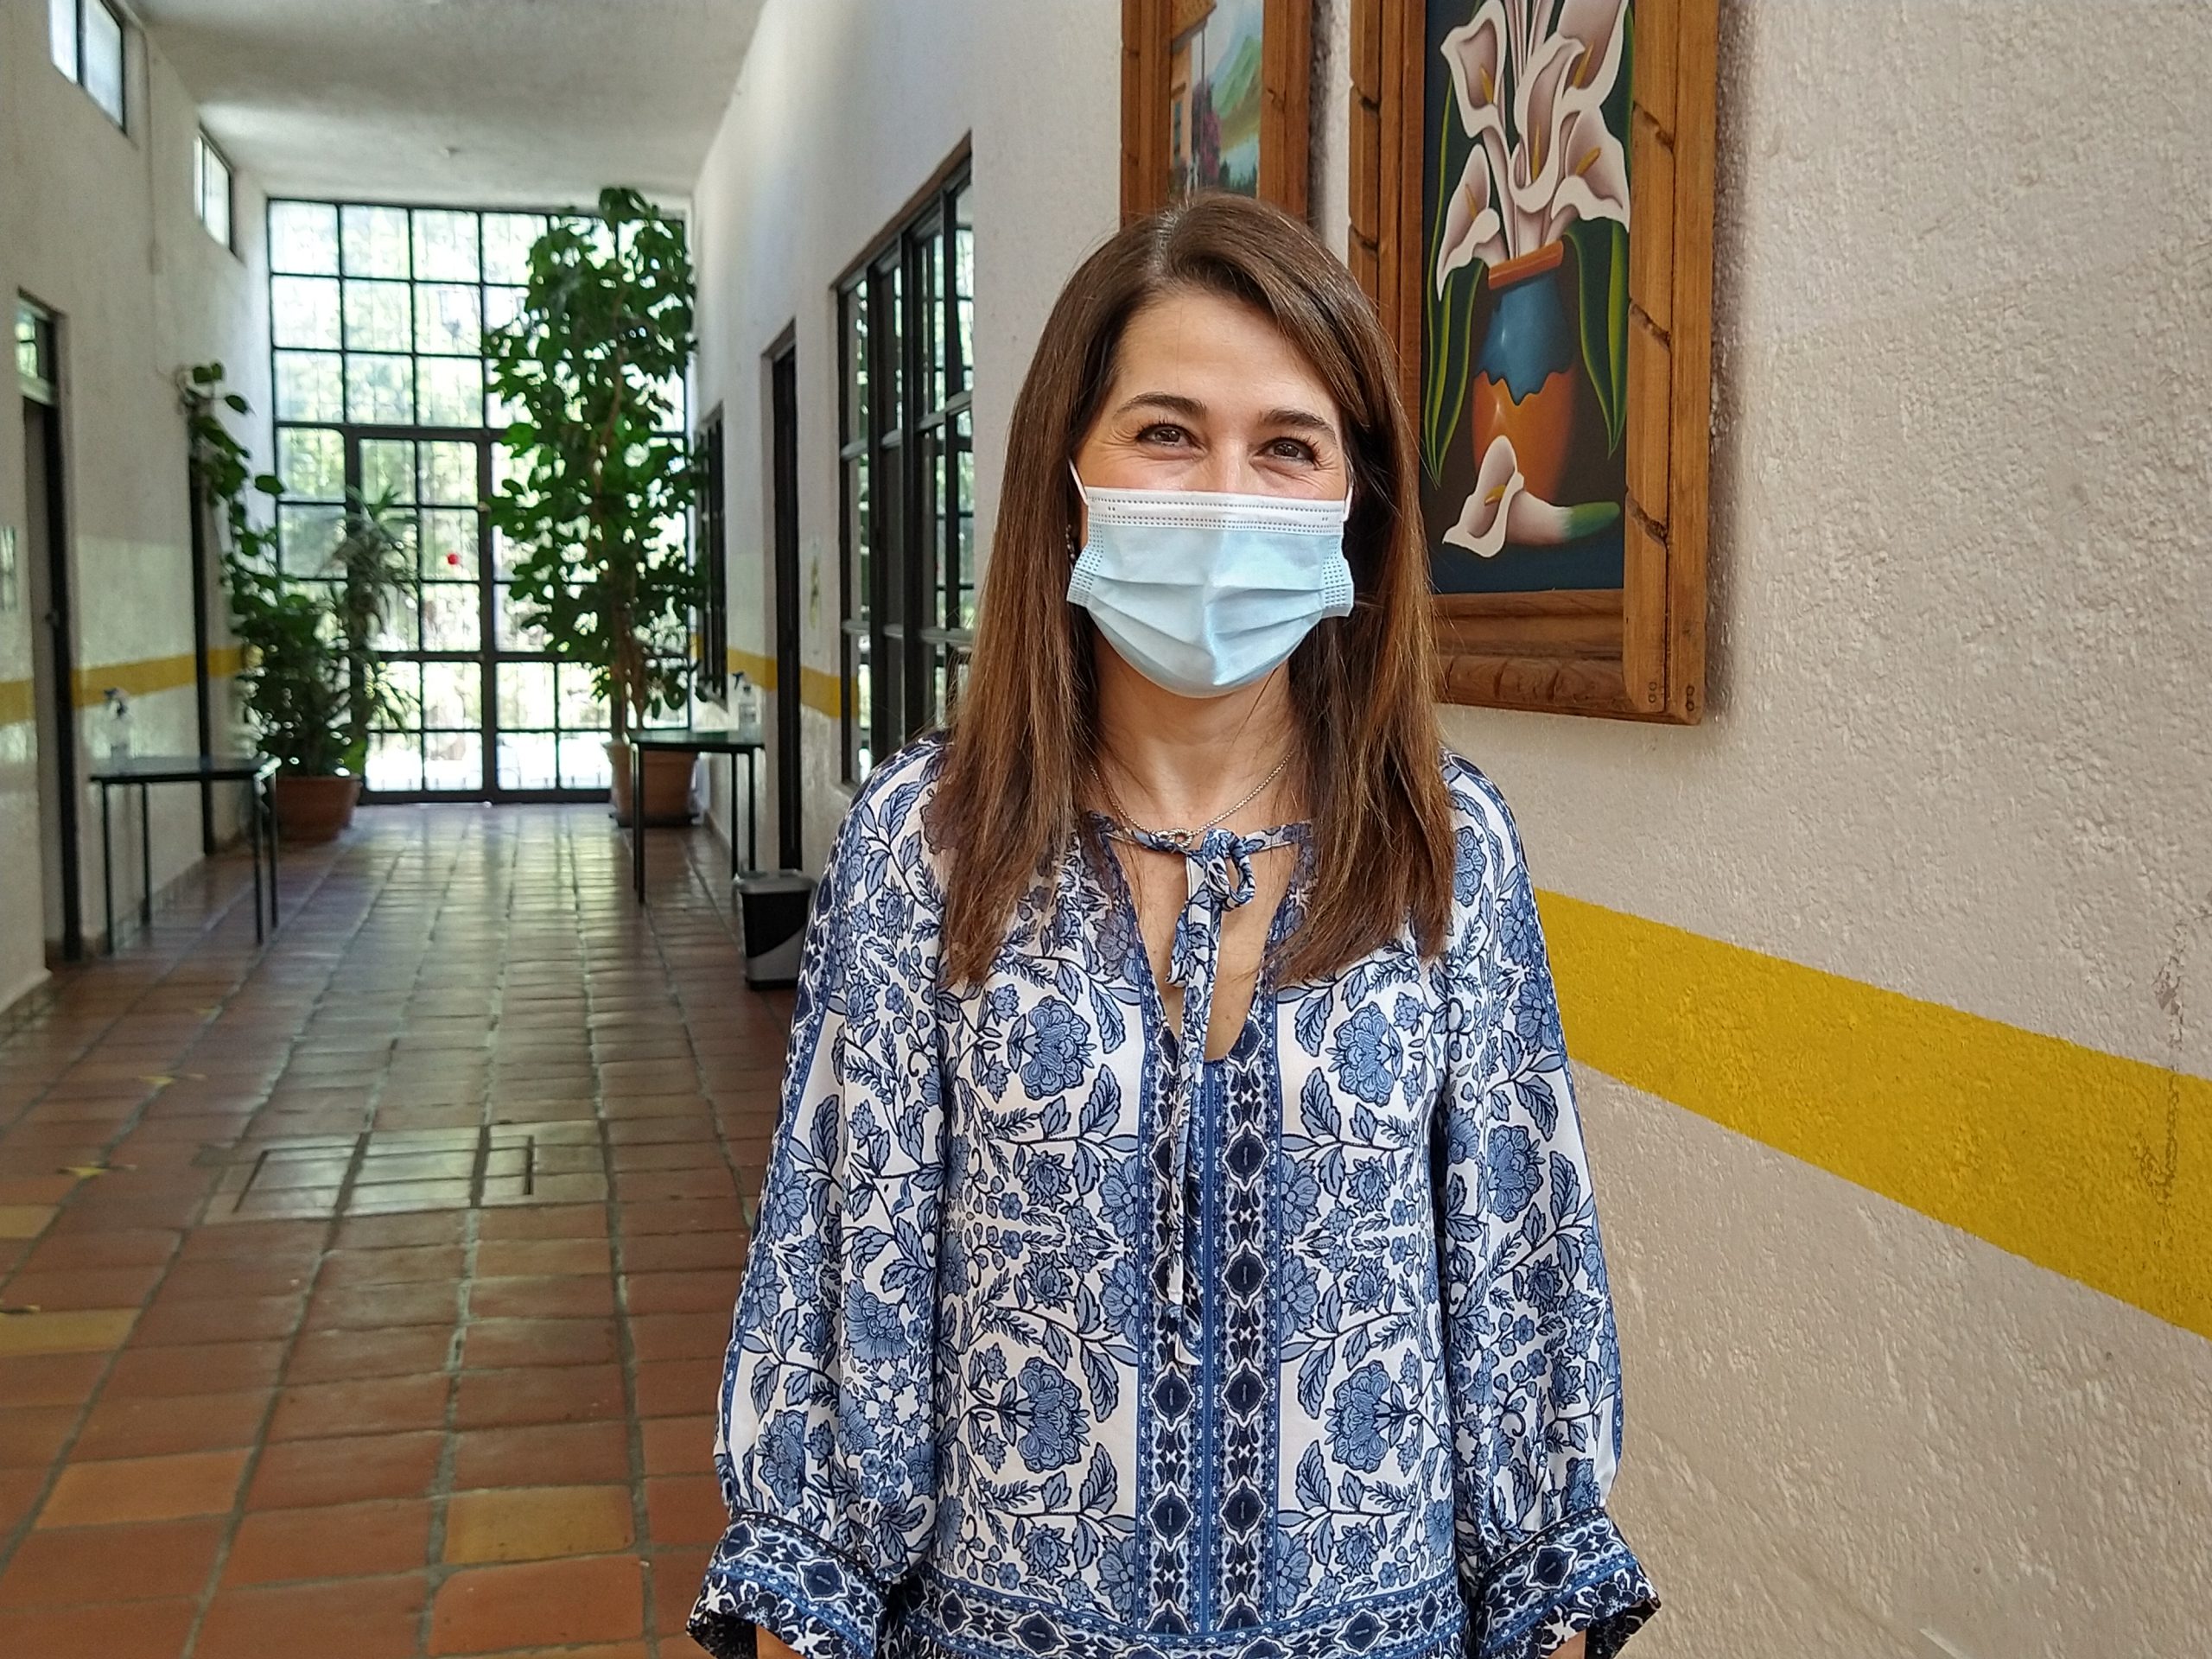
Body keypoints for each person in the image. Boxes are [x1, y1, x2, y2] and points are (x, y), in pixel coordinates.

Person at [690, 194, 1657, 1659]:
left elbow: (1521, 1285)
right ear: (1067, 472)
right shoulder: (930, 843)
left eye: (1288, 446)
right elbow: (845, 1276)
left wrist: (1548, 1592)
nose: (1225, 494)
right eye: (1166, 432)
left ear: (1356, 503)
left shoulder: (1445, 850)